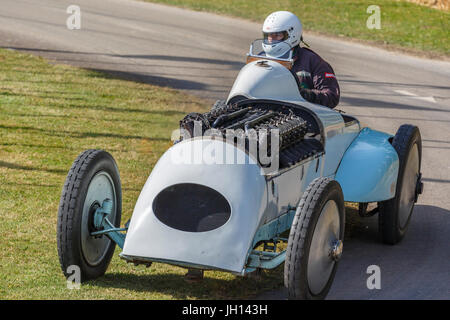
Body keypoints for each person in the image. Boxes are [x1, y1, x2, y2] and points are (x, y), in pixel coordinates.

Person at [261, 11, 340, 109]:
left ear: (292, 35)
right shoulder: (261, 59)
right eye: (268, 36)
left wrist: (305, 95)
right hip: (264, 111)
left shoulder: (312, 61)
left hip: (300, 115)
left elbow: (332, 96)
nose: (271, 40)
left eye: (277, 35)